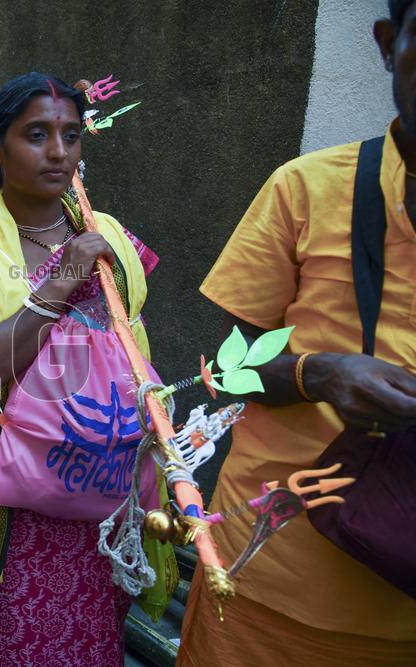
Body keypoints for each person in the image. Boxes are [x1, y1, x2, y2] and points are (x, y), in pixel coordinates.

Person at [177, 4, 416, 665]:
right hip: (270, 589)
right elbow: (224, 370)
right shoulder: (305, 189)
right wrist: (321, 374)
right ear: (390, 44)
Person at [0, 73, 162, 665]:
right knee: (15, 641)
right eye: (37, 135)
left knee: (91, 636)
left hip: (103, 492)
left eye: (70, 134)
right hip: (18, 501)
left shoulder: (106, 232)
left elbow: (131, 341)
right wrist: (63, 277)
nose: (59, 152)